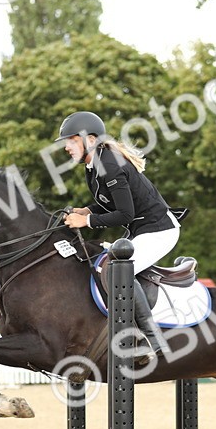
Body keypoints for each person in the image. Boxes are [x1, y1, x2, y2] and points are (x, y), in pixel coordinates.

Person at [56, 111, 180, 358]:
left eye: (71, 140)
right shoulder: (93, 165)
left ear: (90, 139)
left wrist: (86, 220)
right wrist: (87, 210)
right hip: (142, 230)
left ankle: (153, 340)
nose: (67, 147)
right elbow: (109, 204)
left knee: (116, 271)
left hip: (160, 230)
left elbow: (124, 213)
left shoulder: (109, 163)